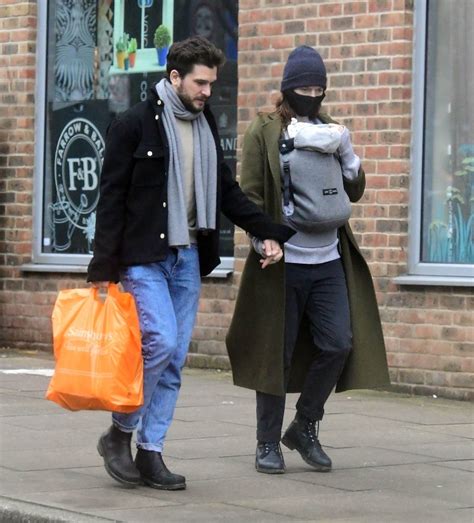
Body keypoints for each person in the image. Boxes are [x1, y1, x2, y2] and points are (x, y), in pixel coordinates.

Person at [87, 36, 294, 490]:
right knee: (159, 343)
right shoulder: (133, 125)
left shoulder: (204, 125)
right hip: (143, 258)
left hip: (187, 259)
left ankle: (151, 451)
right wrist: (102, 271)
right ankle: (119, 433)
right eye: (200, 83)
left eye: (212, 84)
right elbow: (111, 200)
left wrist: (269, 231)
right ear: (174, 77)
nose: (207, 92)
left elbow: (227, 193)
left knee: (176, 357)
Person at [226, 46, 390, 474]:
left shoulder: (332, 131)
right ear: (287, 87)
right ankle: (267, 443)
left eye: (318, 88)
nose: (312, 94)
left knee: (338, 343)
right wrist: (262, 239)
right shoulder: (264, 131)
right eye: (304, 87)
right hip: (283, 264)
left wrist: (351, 157)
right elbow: (252, 195)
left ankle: (304, 426)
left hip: (329, 259)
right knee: (274, 354)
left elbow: (353, 192)